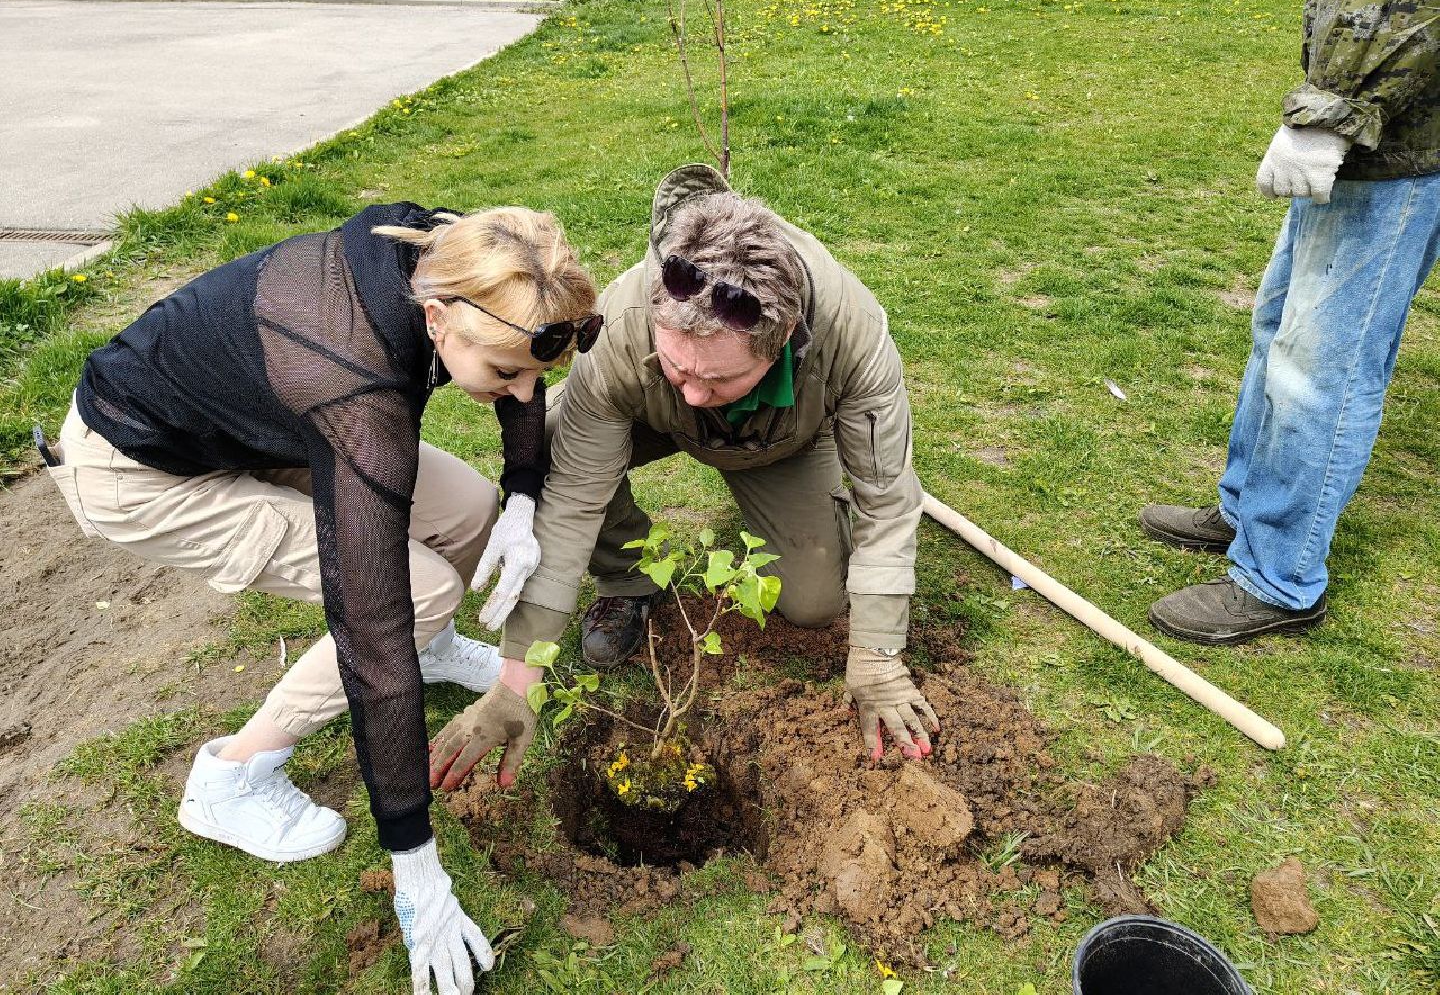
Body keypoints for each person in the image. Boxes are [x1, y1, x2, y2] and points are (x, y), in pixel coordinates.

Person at [38, 202, 598, 993]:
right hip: (143, 472)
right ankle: (232, 777)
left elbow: (525, 351)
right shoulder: (360, 393)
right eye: (505, 375)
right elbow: (371, 630)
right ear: (436, 320)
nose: (523, 390)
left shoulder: (451, 249)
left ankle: (433, 647)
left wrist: (518, 495)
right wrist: (416, 868)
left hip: (257, 419)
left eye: (538, 373)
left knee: (467, 510)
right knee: (416, 592)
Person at [427, 163, 940, 795]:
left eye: (718, 379)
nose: (696, 395)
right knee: (559, 450)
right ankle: (627, 579)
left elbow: (887, 504)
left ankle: (798, 492)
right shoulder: (624, 327)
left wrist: (878, 658)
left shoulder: (852, 341)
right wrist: (517, 681)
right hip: (649, 415)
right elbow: (569, 506)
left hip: (784, 440)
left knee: (814, 605)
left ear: (779, 343)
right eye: (677, 364)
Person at [1142, 0, 1439, 644]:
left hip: (1397, 144)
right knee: (1278, 329)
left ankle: (1281, 576)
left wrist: (1330, 113)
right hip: (1371, 133)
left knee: (1322, 367)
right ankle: (1248, 508)